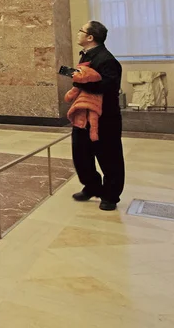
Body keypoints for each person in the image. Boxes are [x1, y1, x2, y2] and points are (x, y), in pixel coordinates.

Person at [70, 21, 124, 212]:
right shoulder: (86, 56)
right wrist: (71, 75)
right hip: (82, 115)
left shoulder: (106, 59)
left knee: (109, 157)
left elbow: (108, 88)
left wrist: (80, 82)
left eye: (81, 31)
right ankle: (92, 186)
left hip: (104, 118)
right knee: (81, 155)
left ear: (90, 37)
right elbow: (82, 77)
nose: (78, 34)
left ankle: (110, 196)